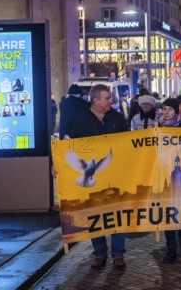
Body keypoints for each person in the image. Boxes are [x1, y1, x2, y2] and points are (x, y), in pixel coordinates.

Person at [66, 84, 129, 269]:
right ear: (95, 100)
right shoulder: (79, 120)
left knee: (116, 214)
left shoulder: (117, 118)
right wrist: (57, 165)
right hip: (92, 179)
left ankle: (118, 254)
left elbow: (128, 144)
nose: (111, 101)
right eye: (107, 98)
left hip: (115, 175)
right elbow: (67, 145)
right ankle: (99, 253)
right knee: (95, 214)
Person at [157, 97, 181, 263]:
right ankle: (171, 247)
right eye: (164, 108)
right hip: (163, 173)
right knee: (167, 213)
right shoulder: (156, 128)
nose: (166, 112)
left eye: (170, 109)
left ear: (175, 111)